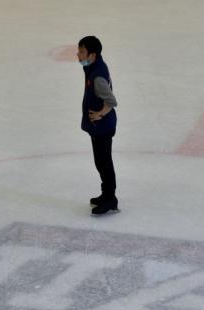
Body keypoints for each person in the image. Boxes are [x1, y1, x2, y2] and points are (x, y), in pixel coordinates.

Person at [76, 36, 119, 216]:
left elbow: (111, 100)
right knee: (100, 162)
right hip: (98, 127)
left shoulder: (98, 76)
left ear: (92, 55)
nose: (78, 55)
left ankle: (110, 199)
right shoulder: (94, 66)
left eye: (82, 52)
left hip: (103, 127)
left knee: (104, 162)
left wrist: (100, 113)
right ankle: (106, 194)